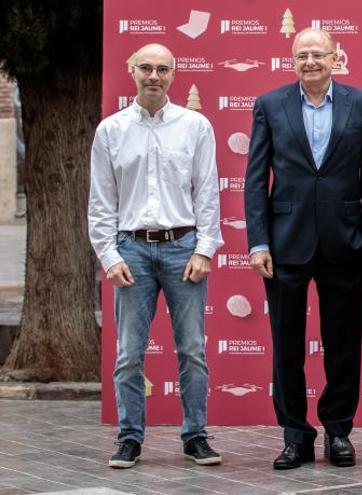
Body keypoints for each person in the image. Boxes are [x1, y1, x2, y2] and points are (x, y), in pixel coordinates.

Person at [244, 27, 362, 470]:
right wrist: (259, 241)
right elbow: (255, 179)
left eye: (318, 54)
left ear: (335, 57)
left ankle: (338, 430)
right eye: (302, 54)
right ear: (292, 59)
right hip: (286, 244)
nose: (310, 61)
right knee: (286, 346)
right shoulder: (270, 105)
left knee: (343, 344)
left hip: (346, 243)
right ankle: (294, 436)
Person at [88, 43, 224, 469]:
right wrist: (109, 256)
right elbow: (101, 202)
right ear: (131, 70)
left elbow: (207, 193)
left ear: (173, 74)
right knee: (129, 352)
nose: (153, 75)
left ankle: (196, 436)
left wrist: (205, 249)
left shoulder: (196, 126)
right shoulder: (110, 130)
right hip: (130, 249)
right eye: (145, 67)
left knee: (192, 350)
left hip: (184, 247)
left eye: (162, 68)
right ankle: (129, 439)